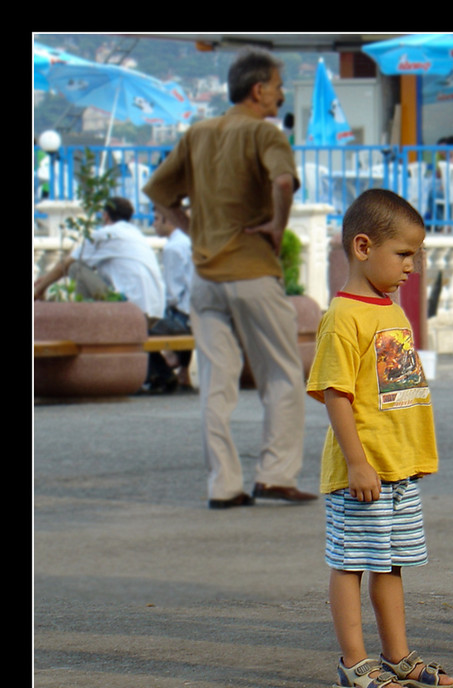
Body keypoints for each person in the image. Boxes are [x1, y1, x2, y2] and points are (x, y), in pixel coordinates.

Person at [143, 47, 317, 509]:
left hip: (206, 276)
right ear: (259, 90)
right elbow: (282, 183)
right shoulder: (266, 134)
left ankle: (224, 485)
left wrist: (194, 229)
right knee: (281, 374)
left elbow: (160, 195)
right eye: (278, 89)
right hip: (253, 270)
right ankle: (275, 474)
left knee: (215, 384)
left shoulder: (197, 133)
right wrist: (277, 228)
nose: (281, 98)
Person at [307, 189, 453, 688]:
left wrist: (409, 458)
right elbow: (336, 393)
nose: (411, 266)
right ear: (364, 246)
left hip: (398, 469)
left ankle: (398, 656)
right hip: (364, 472)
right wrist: (357, 463)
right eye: (404, 254)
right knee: (351, 563)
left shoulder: (390, 311)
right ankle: (353, 664)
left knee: (391, 562)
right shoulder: (343, 317)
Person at [33, 196, 165, 321]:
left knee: (76, 267)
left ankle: (86, 320)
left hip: (132, 312)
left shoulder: (106, 234)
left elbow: (67, 263)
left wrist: (40, 289)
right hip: (156, 311)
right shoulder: (136, 234)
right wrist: (46, 279)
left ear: (105, 215)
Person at [147, 204, 195, 391]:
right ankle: (182, 370)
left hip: (184, 319)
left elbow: (173, 295)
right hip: (197, 315)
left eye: (157, 219)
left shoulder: (173, 248)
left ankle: (162, 373)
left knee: (135, 330)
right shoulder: (189, 241)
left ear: (168, 220)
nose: (153, 224)